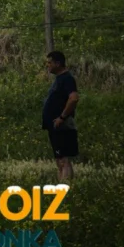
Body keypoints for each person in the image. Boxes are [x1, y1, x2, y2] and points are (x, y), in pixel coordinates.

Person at [43, 51, 80, 181]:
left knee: (64, 160)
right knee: (59, 160)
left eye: (49, 62)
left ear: (58, 63)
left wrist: (62, 117)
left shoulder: (67, 79)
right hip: (55, 126)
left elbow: (74, 98)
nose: (47, 65)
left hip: (62, 125)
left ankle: (66, 189)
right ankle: (61, 187)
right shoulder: (59, 79)